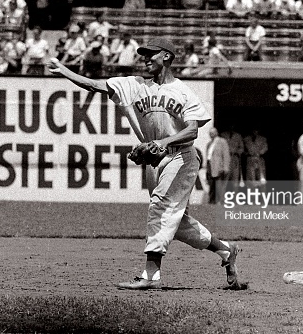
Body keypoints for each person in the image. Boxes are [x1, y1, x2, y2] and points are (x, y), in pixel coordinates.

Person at [47, 38, 244, 291]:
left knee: (160, 206)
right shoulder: (135, 85)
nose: (146, 58)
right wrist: (63, 71)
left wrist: (163, 141)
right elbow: (95, 85)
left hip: (181, 157)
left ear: (167, 57)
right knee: (177, 223)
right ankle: (227, 251)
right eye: (144, 55)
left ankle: (151, 274)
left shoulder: (183, 91)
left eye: (152, 54)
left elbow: (192, 130)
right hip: (156, 161)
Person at [205, 127, 230, 204]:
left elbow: (226, 155)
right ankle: (211, 201)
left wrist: (225, 167)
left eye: (212, 133)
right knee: (211, 184)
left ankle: (220, 201)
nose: (211, 135)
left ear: (216, 133)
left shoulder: (222, 142)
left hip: (219, 166)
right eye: (210, 133)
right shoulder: (209, 143)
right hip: (210, 166)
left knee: (219, 185)